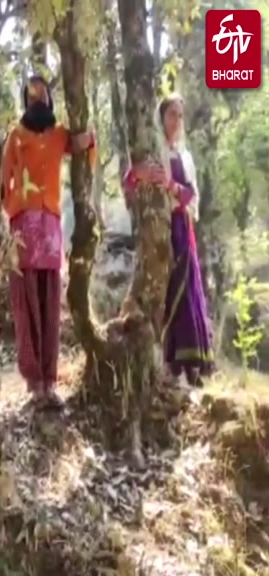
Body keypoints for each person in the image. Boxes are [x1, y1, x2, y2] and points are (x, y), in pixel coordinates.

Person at [1, 75, 96, 410]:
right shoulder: (15, 135)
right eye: (32, 95)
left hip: (51, 227)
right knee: (26, 304)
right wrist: (13, 214)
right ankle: (33, 381)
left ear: (50, 100)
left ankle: (49, 380)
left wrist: (88, 140)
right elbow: (3, 182)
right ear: (26, 101)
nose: (38, 100)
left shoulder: (60, 135)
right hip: (23, 229)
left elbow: (84, 147)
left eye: (43, 95)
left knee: (50, 301)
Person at [123, 93, 214, 387]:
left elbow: (191, 196)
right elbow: (129, 180)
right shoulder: (154, 152)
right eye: (171, 114)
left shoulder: (184, 157)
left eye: (180, 115)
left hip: (182, 226)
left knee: (189, 291)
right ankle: (172, 365)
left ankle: (193, 367)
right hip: (160, 229)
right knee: (168, 289)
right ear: (161, 118)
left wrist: (171, 185)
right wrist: (140, 173)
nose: (176, 121)